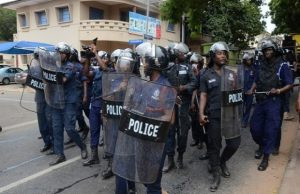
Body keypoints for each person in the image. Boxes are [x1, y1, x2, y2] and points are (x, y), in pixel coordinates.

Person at [114, 42, 175, 194]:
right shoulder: (146, 84)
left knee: (152, 183)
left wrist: (149, 118)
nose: (143, 64)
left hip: (155, 143)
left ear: (154, 63)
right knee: (144, 177)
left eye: (146, 61)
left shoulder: (164, 87)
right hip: (142, 140)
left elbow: (170, 119)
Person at [199, 42, 242, 192]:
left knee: (234, 143)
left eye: (224, 53)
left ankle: (222, 161)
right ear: (212, 56)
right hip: (214, 116)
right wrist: (201, 113)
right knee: (214, 146)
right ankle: (216, 174)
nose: (223, 55)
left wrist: (238, 114)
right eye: (219, 53)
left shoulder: (231, 74)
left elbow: (236, 94)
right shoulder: (206, 75)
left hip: (229, 116)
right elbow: (203, 95)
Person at [249, 38, 293, 171]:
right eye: (265, 50)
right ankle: (262, 145)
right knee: (255, 128)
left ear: (274, 51)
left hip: (274, 102)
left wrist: (278, 90)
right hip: (260, 101)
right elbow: (257, 80)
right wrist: (252, 89)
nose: (267, 52)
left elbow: (289, 83)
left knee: (270, 129)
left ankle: (266, 158)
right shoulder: (260, 64)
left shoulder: (282, 65)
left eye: (269, 49)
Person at [46, 42, 88, 166]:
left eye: (61, 53)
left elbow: (62, 80)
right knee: (57, 129)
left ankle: (82, 146)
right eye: (57, 53)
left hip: (69, 101)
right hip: (55, 101)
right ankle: (60, 155)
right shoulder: (53, 66)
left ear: (66, 54)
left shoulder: (71, 67)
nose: (58, 55)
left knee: (69, 128)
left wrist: (49, 74)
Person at [164, 42, 197, 171]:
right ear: (176, 53)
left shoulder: (188, 68)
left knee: (183, 133)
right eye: (182, 53)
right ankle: (170, 159)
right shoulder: (168, 68)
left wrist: (184, 87)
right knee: (170, 131)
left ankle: (180, 157)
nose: (184, 54)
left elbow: (194, 82)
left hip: (183, 104)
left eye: (184, 53)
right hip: (170, 104)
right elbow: (163, 83)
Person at [82, 45, 109, 166]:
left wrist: (95, 53)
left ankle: (109, 154)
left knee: (108, 131)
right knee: (94, 130)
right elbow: (86, 73)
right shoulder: (97, 71)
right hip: (95, 104)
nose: (99, 61)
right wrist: (88, 58)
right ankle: (94, 156)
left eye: (102, 58)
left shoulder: (110, 70)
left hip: (105, 105)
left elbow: (104, 67)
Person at [30, 48, 53, 153]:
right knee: (41, 122)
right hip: (39, 97)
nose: (37, 58)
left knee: (49, 121)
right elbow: (30, 77)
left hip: (49, 97)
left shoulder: (50, 66)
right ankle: (47, 142)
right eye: (36, 56)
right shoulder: (34, 65)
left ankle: (54, 143)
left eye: (38, 56)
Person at [240, 53, 256, 128]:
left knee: (248, 107)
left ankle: (245, 121)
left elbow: (255, 81)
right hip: (241, 91)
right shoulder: (240, 68)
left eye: (251, 59)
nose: (250, 61)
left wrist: (251, 90)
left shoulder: (253, 68)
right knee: (240, 107)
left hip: (249, 92)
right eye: (248, 60)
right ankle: (242, 119)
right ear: (245, 60)